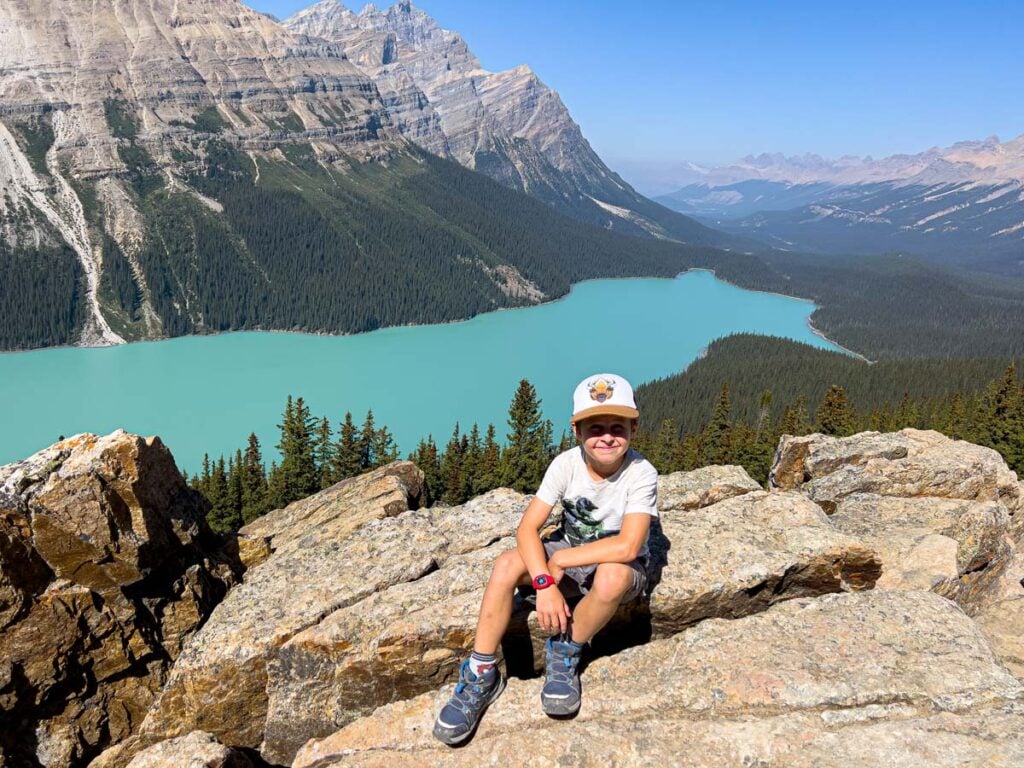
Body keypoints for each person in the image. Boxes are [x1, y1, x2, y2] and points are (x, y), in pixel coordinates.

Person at [433, 373, 659, 745]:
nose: (606, 437)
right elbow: (526, 530)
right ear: (577, 431)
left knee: (613, 578)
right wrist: (543, 583)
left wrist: (562, 562)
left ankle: (566, 648)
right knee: (507, 564)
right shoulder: (565, 465)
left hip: (610, 565)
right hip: (567, 554)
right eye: (594, 427)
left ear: (634, 429)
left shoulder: (641, 474)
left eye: (617, 427)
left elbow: (629, 547)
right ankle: (482, 671)